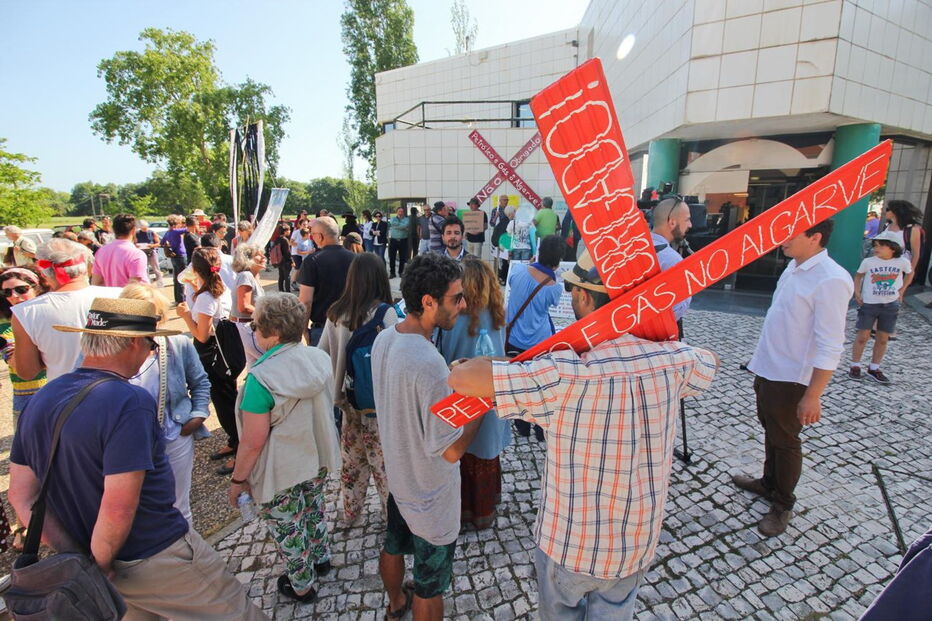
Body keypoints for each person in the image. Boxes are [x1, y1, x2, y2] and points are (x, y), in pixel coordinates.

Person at [448, 254, 718, 621]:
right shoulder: (672, 363)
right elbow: (708, 362)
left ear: (587, 299)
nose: (571, 297)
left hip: (570, 546)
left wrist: (464, 366)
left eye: (574, 290)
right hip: (634, 544)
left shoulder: (564, 375)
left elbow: (464, 381)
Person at [8, 297, 267, 620]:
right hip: (154, 554)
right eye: (151, 344)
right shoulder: (128, 400)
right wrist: (100, 565)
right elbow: (118, 506)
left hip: (91, 560)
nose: (151, 352)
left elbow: (21, 494)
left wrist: (77, 557)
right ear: (132, 343)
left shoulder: (43, 397)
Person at [372, 252, 483, 621]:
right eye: (456, 298)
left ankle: (394, 605)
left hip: (400, 480)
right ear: (428, 302)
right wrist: (480, 404)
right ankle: (410, 603)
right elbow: (451, 452)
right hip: (431, 495)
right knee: (430, 585)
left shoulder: (385, 338)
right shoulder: (429, 364)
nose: (463, 305)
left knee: (392, 545)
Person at [733, 220, 853, 536]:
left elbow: (830, 343)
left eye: (791, 233)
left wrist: (813, 394)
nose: (781, 238)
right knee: (771, 431)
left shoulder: (831, 279)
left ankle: (783, 503)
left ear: (815, 238)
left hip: (792, 379)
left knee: (786, 441)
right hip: (770, 369)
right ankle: (768, 482)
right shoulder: (793, 267)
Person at [229, 293, 341, 603]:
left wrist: (239, 480)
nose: (255, 332)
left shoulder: (260, 379)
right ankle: (321, 558)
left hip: (283, 467)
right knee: (313, 508)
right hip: (316, 455)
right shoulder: (319, 359)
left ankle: (301, 585)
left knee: (289, 527)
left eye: (257, 327)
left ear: (273, 333)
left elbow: (252, 441)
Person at [120, 284, 211, 525]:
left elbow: (200, 381)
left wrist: (198, 415)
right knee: (133, 507)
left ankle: (185, 555)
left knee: (179, 505)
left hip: (174, 435)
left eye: (155, 317)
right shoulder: (108, 348)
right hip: (127, 444)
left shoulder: (177, 344)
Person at [319, 253, 398, 523]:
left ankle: (351, 512)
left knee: (352, 462)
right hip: (379, 404)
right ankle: (393, 518)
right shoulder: (386, 315)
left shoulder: (335, 313)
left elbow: (322, 356)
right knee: (384, 464)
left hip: (347, 403)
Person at [437, 257, 510, 530]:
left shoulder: (453, 319)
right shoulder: (499, 313)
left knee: (464, 451)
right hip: (492, 394)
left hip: (461, 396)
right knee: (486, 451)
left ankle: (465, 512)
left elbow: (444, 356)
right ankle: (485, 508)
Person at [11, 238, 120, 382]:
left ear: (43, 273)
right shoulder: (122, 296)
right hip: (121, 392)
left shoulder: (26, 312)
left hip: (67, 396)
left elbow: (27, 372)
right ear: (86, 267)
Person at [176, 247, 239, 477]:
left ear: (194, 269)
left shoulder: (205, 297)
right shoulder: (218, 290)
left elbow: (201, 335)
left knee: (224, 403)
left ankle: (239, 447)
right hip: (225, 350)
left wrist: (184, 316)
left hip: (211, 353)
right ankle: (235, 441)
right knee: (227, 399)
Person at [504, 235, 564, 441]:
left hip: (514, 339)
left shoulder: (518, 271)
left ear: (538, 252)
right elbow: (552, 304)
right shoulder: (554, 287)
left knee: (518, 385)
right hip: (540, 342)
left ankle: (521, 426)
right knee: (541, 387)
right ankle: (540, 429)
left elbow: (514, 281)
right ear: (557, 261)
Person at [849, 230, 912, 384]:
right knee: (862, 336)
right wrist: (857, 292)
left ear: (893, 248)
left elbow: (910, 273)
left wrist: (902, 290)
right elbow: (858, 276)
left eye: (882, 246)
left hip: (890, 304)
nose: (877, 249)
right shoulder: (869, 262)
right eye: (876, 245)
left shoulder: (902, 262)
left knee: (883, 338)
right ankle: (855, 365)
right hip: (869, 303)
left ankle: (874, 367)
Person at [0, 265, 49, 420]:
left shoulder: (53, 315)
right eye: (7, 292)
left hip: (63, 391)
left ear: (37, 288)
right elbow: (19, 365)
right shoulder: (5, 327)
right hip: (27, 397)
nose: (14, 295)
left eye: (22, 289)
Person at [298, 216, 356, 346]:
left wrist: (303, 330)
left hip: (323, 329)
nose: (312, 237)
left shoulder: (312, 261)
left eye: (313, 234)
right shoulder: (355, 259)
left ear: (320, 236)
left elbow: (305, 301)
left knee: (323, 366)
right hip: (352, 326)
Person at [650, 196, 693, 320]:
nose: (690, 224)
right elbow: (675, 311)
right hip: (656, 334)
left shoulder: (633, 247)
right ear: (672, 222)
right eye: (687, 220)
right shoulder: (672, 259)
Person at [231, 243, 267, 367]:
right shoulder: (246, 276)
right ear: (247, 259)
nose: (263, 257)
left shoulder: (251, 276)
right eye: (258, 255)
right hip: (247, 327)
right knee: (271, 360)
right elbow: (244, 306)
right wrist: (269, 314)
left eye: (263, 254)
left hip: (249, 326)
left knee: (255, 367)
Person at [91, 213, 149, 287]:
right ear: (134, 230)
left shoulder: (101, 252)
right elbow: (136, 287)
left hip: (109, 297)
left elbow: (96, 283)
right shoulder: (137, 254)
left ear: (113, 230)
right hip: (128, 297)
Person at [883, 200, 925, 288]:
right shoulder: (886, 226)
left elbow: (916, 254)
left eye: (887, 209)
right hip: (882, 267)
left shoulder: (912, 230)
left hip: (899, 270)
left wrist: (909, 275)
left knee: (893, 296)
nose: (884, 211)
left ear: (896, 212)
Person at [161, 214, 188, 303]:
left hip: (174, 257)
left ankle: (177, 298)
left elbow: (162, 242)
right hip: (181, 256)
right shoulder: (176, 231)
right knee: (182, 278)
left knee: (176, 278)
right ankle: (182, 299)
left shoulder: (168, 233)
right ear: (176, 223)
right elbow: (188, 229)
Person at [135, 219, 165, 288]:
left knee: (156, 268)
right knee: (145, 269)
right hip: (142, 252)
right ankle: (147, 284)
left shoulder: (152, 233)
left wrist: (151, 245)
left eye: (145, 227)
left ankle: (160, 284)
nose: (144, 229)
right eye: (142, 227)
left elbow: (158, 243)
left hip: (151, 251)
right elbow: (135, 243)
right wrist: (137, 245)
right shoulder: (137, 233)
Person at [388, 206, 410, 278]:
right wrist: (402, 227)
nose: (400, 213)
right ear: (397, 212)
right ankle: (392, 273)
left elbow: (405, 225)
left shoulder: (407, 219)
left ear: (403, 212)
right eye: (399, 211)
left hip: (403, 240)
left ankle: (401, 272)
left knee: (402, 258)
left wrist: (398, 226)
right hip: (393, 240)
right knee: (392, 257)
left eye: (402, 211)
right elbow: (396, 225)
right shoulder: (393, 219)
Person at [273, 223, 293, 292]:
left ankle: (281, 290)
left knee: (281, 276)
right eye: (289, 230)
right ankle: (288, 291)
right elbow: (287, 252)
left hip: (279, 261)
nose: (290, 231)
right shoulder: (285, 240)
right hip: (286, 261)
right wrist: (292, 261)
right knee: (287, 277)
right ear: (285, 231)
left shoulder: (277, 239)